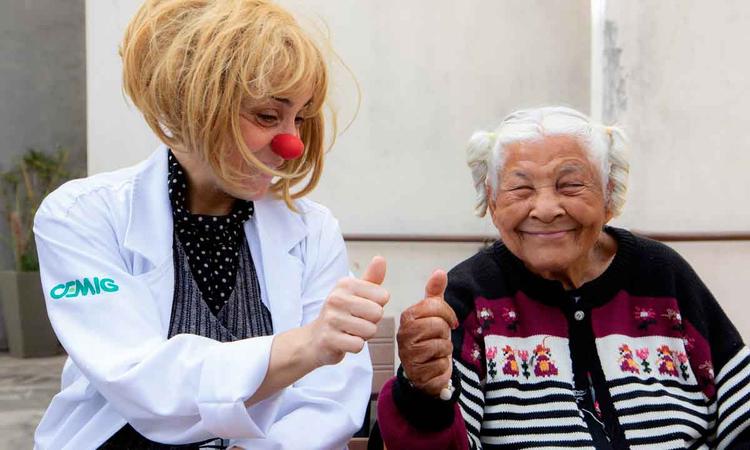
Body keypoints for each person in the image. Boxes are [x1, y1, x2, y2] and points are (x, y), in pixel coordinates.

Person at [33, 1, 389, 449]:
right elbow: (142, 382)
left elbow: (329, 399)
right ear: (194, 104)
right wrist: (305, 347)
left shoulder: (312, 231)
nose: (293, 143)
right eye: (267, 115)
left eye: (299, 117)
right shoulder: (79, 215)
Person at [377, 106, 750, 449]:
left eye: (570, 185)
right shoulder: (471, 297)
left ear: (609, 195)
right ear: (491, 202)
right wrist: (421, 391)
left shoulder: (662, 277)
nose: (546, 209)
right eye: (520, 188)